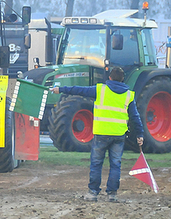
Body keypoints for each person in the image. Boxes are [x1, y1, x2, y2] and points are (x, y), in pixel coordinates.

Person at [50, 67, 144, 202]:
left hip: (101, 133)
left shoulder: (100, 89)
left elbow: (79, 90)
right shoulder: (128, 95)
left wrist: (60, 89)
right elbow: (135, 117)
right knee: (115, 164)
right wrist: (140, 134)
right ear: (122, 79)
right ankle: (112, 194)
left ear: (110, 78)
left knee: (96, 163)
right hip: (118, 135)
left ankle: (93, 192)